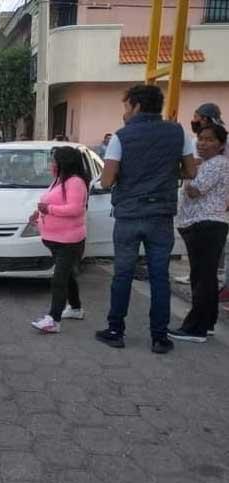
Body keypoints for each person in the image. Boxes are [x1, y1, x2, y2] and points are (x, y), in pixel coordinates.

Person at [96, 84, 197, 354]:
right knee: (159, 276)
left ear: (137, 105)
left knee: (123, 275)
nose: (124, 114)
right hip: (161, 215)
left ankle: (115, 330)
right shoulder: (179, 133)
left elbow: (106, 180)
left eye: (126, 107)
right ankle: (160, 338)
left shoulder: (121, 137)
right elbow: (190, 171)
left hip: (129, 215)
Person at [169, 123, 229, 343]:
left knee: (202, 278)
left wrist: (187, 175)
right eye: (201, 139)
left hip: (206, 225)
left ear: (221, 144)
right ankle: (208, 322)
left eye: (210, 139)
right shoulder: (208, 163)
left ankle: (195, 328)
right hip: (204, 225)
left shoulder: (217, 164)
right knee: (206, 277)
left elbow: (195, 191)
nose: (203, 143)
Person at [31, 146, 91, 333]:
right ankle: (75, 308)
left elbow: (76, 209)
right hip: (55, 239)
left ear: (65, 163)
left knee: (59, 279)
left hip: (69, 241)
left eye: (55, 161)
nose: (52, 164)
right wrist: (38, 215)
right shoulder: (59, 180)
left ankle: (53, 320)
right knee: (68, 276)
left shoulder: (75, 182)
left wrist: (49, 210)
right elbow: (51, 201)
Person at [174, 103, 224, 285]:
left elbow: (195, 188)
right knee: (201, 269)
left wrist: (188, 171)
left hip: (209, 216)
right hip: (195, 216)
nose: (203, 143)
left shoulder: (219, 156)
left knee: (205, 271)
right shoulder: (197, 141)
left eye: (196, 116)